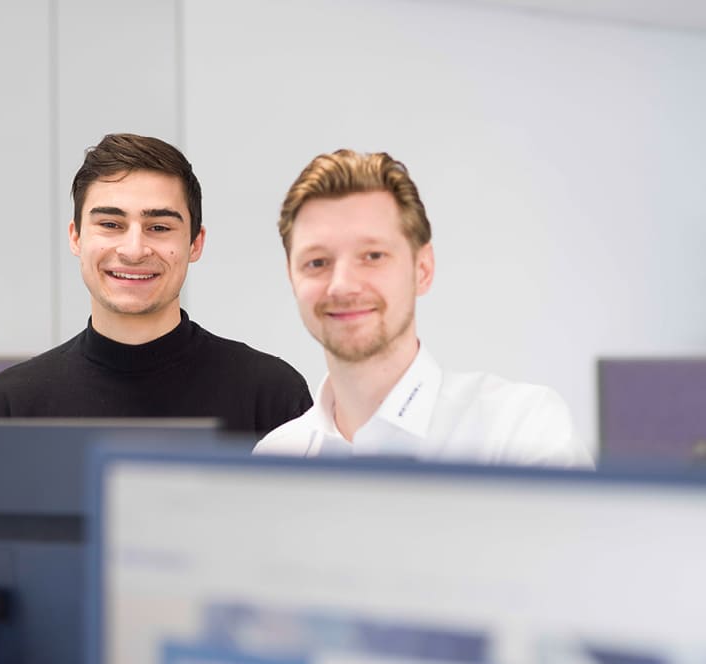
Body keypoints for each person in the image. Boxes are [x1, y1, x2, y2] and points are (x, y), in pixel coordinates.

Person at [254, 148, 592, 466]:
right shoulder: (274, 458)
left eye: (373, 256)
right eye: (317, 262)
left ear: (423, 269)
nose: (342, 285)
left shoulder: (521, 432)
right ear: (291, 278)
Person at [0, 133, 312, 438]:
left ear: (195, 243)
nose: (133, 250)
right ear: (76, 237)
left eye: (159, 227)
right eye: (111, 224)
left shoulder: (270, 397)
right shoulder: (6, 409)